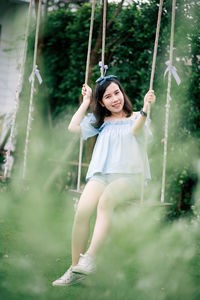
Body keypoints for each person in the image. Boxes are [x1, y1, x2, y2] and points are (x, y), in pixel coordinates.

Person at [52, 75, 156, 286]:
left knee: (106, 200)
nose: (114, 99)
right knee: (82, 211)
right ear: (101, 102)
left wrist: (146, 108)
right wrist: (85, 103)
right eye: (108, 97)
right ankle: (75, 270)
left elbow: (137, 131)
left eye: (116, 93)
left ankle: (89, 258)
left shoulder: (138, 117)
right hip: (101, 174)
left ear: (122, 93)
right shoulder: (101, 122)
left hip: (129, 177)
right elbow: (73, 127)